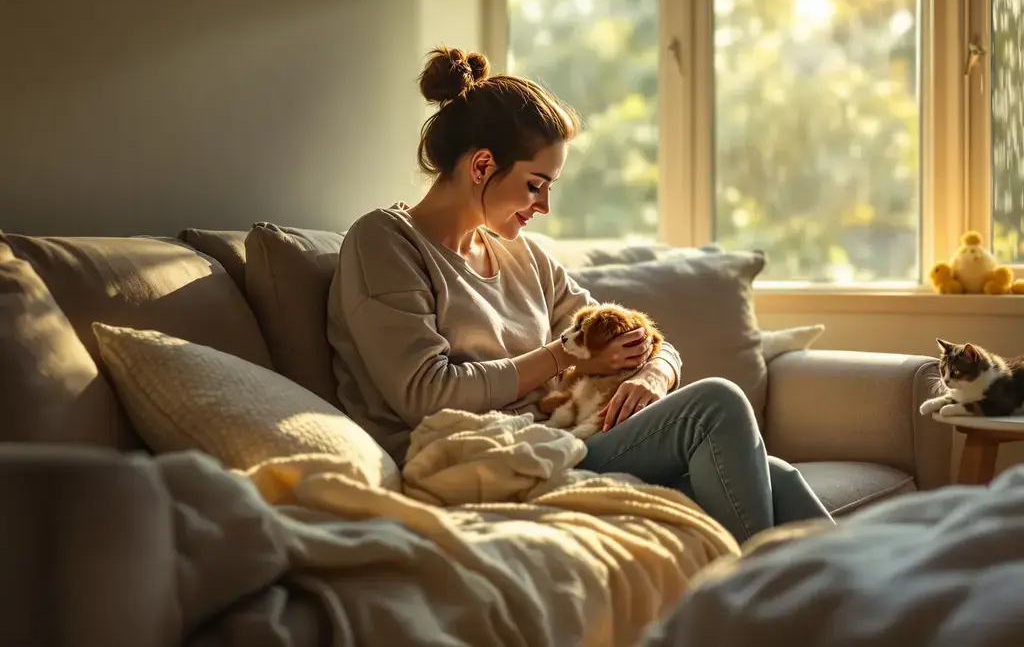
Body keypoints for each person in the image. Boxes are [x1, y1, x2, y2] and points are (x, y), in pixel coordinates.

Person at [326, 46, 834, 543]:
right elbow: (425, 394)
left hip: (558, 440)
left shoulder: (523, 256)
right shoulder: (385, 242)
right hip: (481, 459)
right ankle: (761, 607)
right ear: (482, 166)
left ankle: (872, 616)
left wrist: (655, 374)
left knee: (779, 477)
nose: (543, 205)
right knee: (716, 404)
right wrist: (564, 357)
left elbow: (642, 339)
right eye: (534, 185)